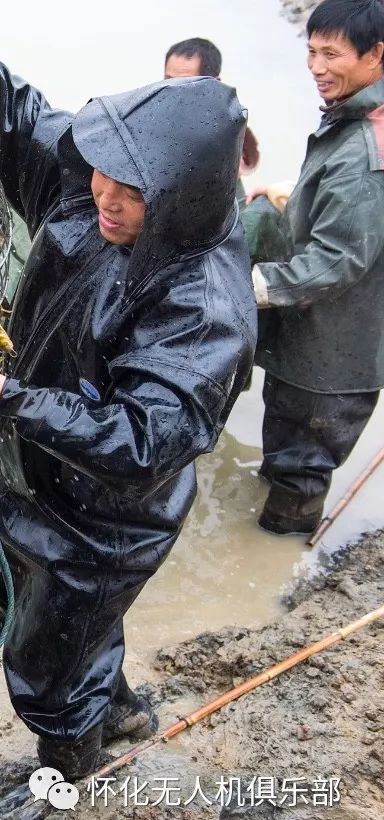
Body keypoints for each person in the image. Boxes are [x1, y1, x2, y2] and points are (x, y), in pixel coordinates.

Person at [0, 36, 255, 779]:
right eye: (105, 174)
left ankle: (73, 767)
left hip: (103, 523)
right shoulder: (92, 185)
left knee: (49, 664)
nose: (105, 196)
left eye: (132, 194)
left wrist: (6, 395)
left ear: (181, 201)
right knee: (11, 597)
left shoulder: (204, 303)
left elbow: (144, 441)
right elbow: (15, 114)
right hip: (25, 468)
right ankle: (120, 706)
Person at [245, 0, 384, 536]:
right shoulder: (357, 117)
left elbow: (335, 261)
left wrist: (249, 285)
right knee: (285, 449)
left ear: (376, 55)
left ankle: (281, 550)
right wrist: (288, 196)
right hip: (316, 340)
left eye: (333, 54)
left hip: (333, 357)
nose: (317, 67)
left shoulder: (366, 156)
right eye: (310, 51)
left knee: (301, 469)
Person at [164, 37, 262, 183]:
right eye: (168, 81)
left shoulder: (226, 134)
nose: (172, 91)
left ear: (215, 85)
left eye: (185, 84)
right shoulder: (150, 118)